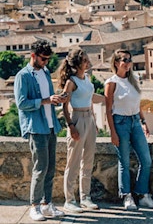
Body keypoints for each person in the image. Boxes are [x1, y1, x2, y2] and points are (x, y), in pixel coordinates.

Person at [14, 39, 66, 222]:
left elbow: (48, 98)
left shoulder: (44, 72)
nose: (46, 63)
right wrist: (45, 100)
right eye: (43, 59)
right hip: (36, 128)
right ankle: (34, 206)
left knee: (51, 168)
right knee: (40, 167)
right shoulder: (23, 76)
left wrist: (56, 99)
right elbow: (21, 103)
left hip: (50, 125)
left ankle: (47, 204)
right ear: (33, 56)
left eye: (48, 59)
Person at [104, 49, 153, 211]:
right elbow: (108, 110)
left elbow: (136, 104)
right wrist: (112, 132)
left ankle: (143, 195)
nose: (128, 63)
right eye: (124, 60)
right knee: (124, 162)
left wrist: (144, 121)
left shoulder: (133, 79)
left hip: (135, 121)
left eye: (129, 60)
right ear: (116, 63)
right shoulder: (111, 82)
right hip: (120, 123)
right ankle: (127, 196)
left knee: (146, 160)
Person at [59, 47, 104, 214]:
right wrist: (71, 126)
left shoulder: (86, 78)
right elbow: (64, 107)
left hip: (89, 119)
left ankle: (85, 197)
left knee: (88, 160)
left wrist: (95, 120)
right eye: (85, 60)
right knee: (73, 162)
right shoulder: (71, 82)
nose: (88, 62)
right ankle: (69, 200)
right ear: (78, 63)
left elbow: (90, 99)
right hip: (77, 118)